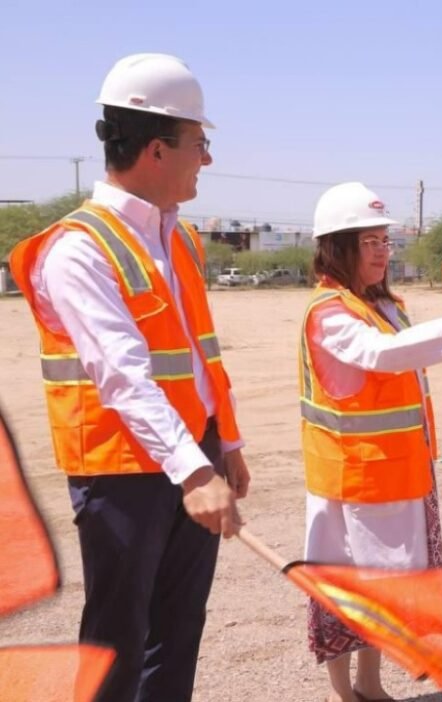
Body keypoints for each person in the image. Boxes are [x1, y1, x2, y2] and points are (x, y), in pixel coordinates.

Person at [7, 53, 247, 702]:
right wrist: (195, 472)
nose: (207, 158)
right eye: (200, 143)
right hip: (121, 472)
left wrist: (224, 442)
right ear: (156, 149)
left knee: (178, 632)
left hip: (190, 450)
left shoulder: (180, 240)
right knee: (118, 641)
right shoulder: (80, 247)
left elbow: (197, 355)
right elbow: (124, 376)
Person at [301, 182, 442, 702]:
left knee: (386, 588)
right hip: (351, 480)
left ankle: (371, 684)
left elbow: (403, 354)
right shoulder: (330, 313)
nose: (383, 253)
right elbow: (381, 355)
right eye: (370, 243)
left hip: (398, 472)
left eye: (386, 242)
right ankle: (345, 693)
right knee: (348, 588)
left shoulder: (384, 305)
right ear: (337, 248)